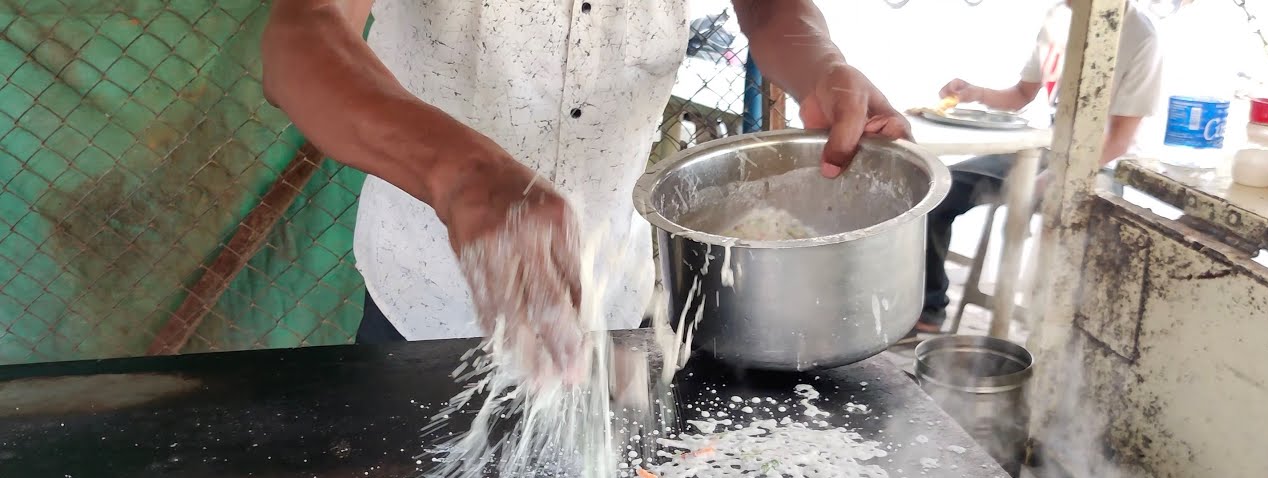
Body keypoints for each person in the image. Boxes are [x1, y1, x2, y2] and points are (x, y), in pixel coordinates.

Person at [262, 0, 909, 383]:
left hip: (610, 302)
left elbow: (770, 8)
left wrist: (820, 63)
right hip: (426, 303)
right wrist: (457, 171)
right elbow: (301, 38)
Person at [917, 0, 1162, 333]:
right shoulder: (1059, 17)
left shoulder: (1140, 36)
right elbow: (1021, 94)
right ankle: (930, 308)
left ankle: (1055, 336)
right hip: (1043, 149)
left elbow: (1118, 140)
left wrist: (1055, 177)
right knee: (937, 193)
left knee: (1081, 231)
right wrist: (974, 93)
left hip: (1100, 167)